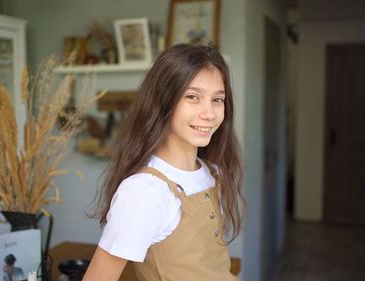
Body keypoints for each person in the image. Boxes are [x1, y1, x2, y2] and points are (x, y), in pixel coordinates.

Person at [83, 43, 244, 281]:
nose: (209, 113)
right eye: (192, 97)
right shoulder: (144, 191)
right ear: (163, 102)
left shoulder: (213, 173)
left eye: (217, 99)